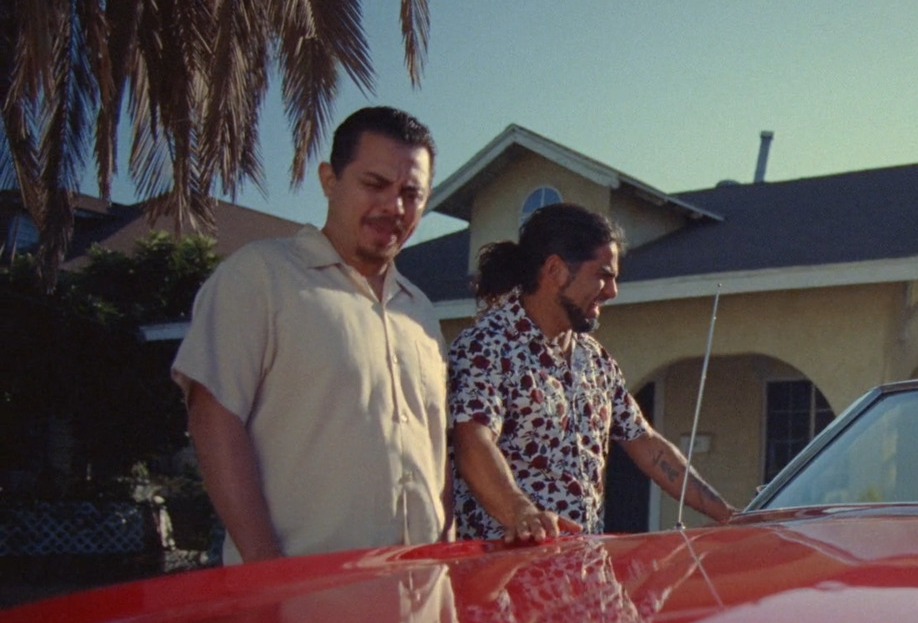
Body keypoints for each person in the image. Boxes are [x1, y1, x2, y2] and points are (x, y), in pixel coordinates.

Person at [172, 106, 448, 563]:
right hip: (299, 608)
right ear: (329, 180)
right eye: (374, 184)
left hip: (418, 608)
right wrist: (268, 579)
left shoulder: (420, 311)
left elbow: (436, 456)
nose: (393, 207)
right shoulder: (260, 276)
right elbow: (214, 417)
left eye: (411, 193)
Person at [449, 203, 735, 542]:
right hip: (506, 579)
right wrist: (521, 512)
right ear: (555, 270)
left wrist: (730, 516)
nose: (612, 292)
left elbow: (647, 445)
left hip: (584, 572)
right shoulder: (486, 346)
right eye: (603, 275)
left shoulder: (595, 360)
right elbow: (472, 443)